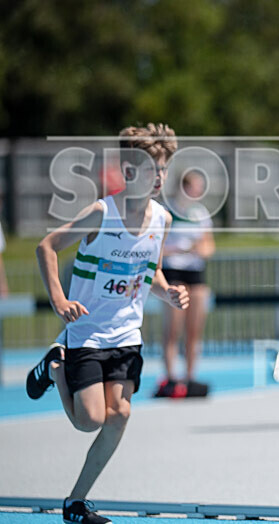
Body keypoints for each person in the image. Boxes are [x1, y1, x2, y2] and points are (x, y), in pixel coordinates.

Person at [25, 124, 189, 524]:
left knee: (121, 415)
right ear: (130, 172)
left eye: (164, 169)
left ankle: (75, 502)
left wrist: (168, 292)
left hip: (126, 335)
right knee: (89, 421)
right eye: (153, 169)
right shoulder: (101, 213)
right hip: (84, 334)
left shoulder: (162, 219)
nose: (160, 178)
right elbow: (46, 246)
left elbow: (150, 271)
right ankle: (56, 365)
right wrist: (60, 300)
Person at [155, 170, 215, 398]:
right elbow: (157, 247)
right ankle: (171, 376)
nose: (197, 193)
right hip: (172, 271)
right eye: (193, 187)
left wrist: (197, 249)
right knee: (172, 329)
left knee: (194, 329)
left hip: (195, 272)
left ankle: (190, 377)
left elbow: (208, 246)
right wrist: (181, 249)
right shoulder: (168, 212)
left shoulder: (200, 214)